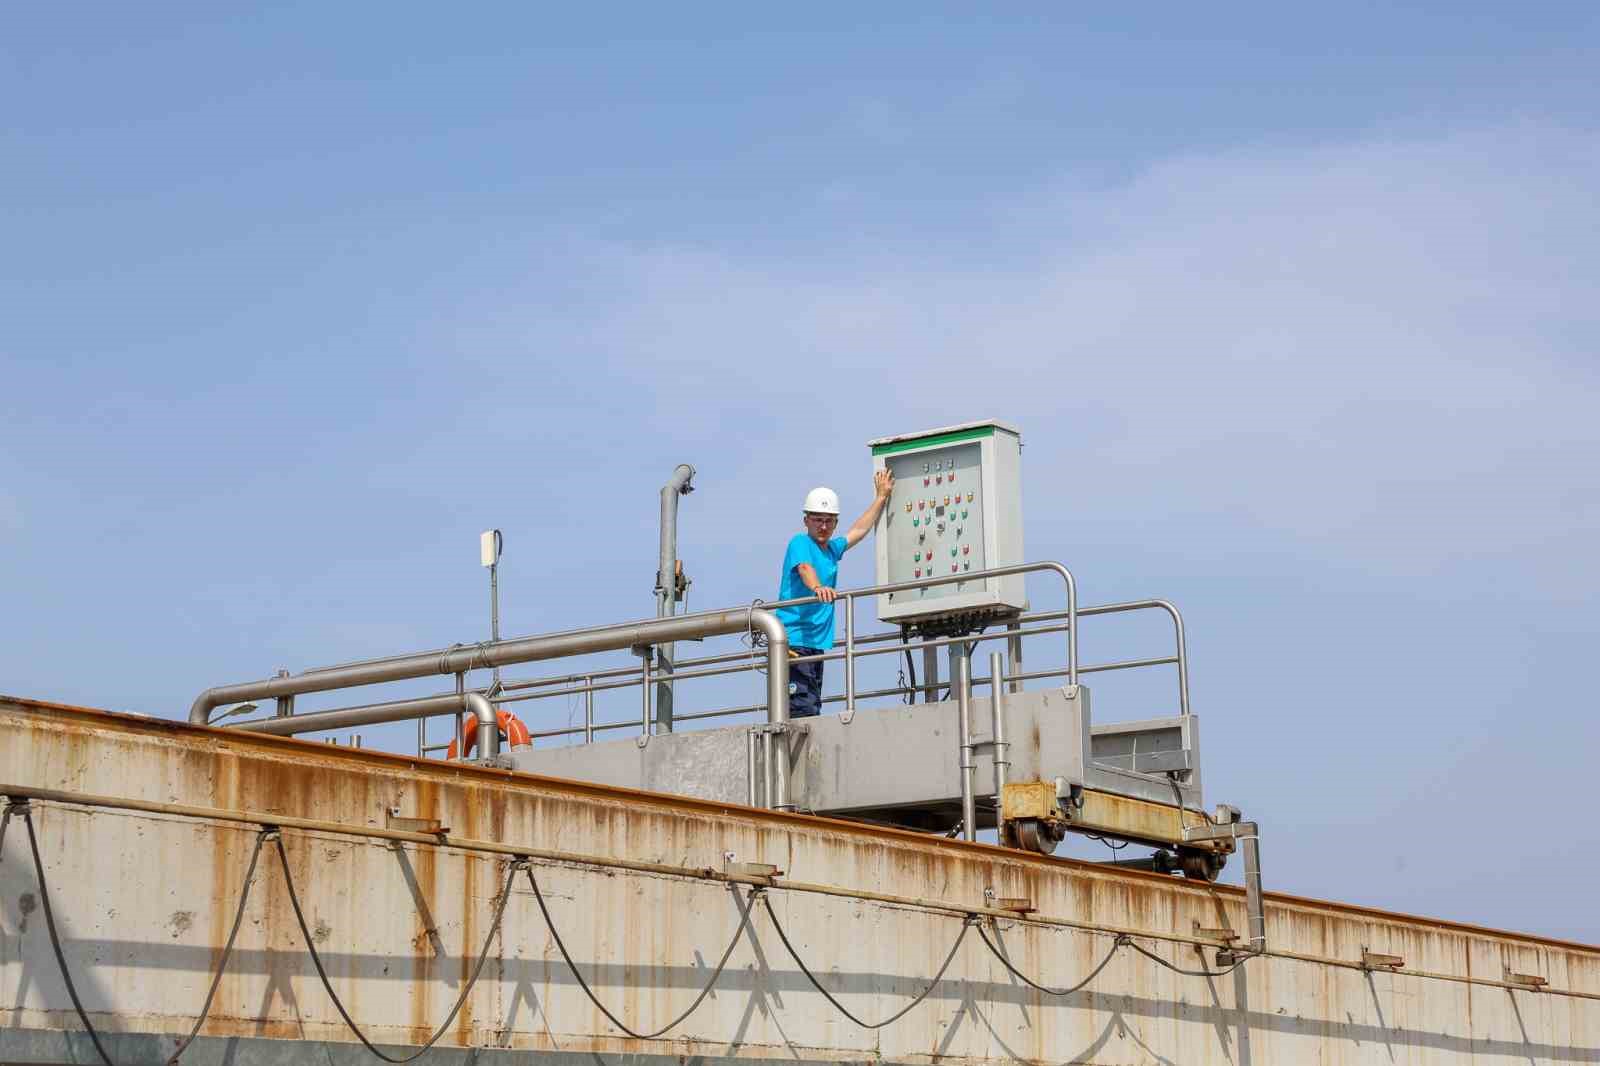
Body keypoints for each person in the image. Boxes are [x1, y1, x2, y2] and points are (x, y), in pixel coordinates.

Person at [776, 470, 894, 718]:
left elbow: (858, 530)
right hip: (795, 640)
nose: (823, 526)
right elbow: (805, 568)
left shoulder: (831, 549)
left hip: (815, 644)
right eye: (818, 519)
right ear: (806, 520)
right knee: (801, 707)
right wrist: (818, 587)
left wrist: (881, 497)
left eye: (829, 521)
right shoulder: (800, 542)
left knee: (812, 703)